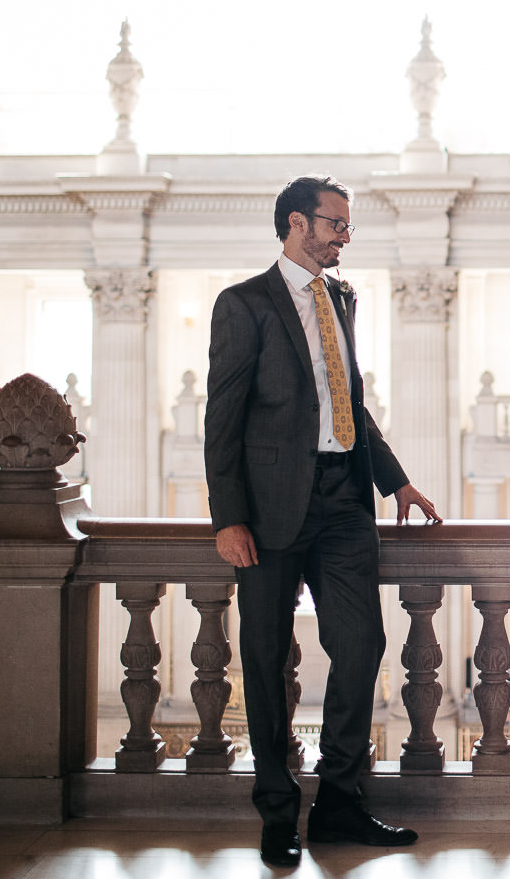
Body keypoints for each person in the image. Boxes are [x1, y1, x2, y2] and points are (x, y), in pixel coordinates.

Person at [205, 175, 442, 870]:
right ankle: (278, 812)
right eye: (335, 224)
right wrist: (229, 518)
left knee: (362, 644)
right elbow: (222, 417)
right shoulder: (242, 305)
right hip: (272, 508)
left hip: (344, 503)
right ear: (295, 223)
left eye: (347, 226)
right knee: (265, 657)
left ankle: (340, 801)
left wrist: (392, 479)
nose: (344, 236)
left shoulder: (343, 298)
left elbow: (349, 403)